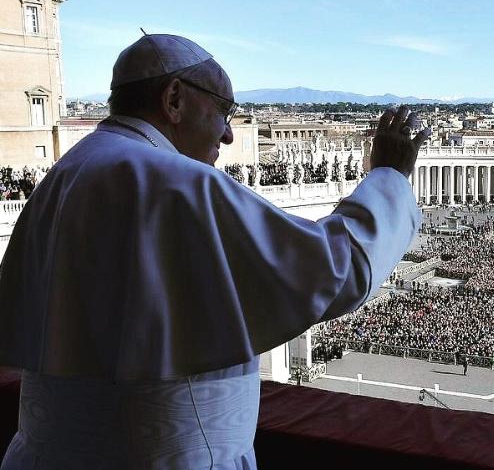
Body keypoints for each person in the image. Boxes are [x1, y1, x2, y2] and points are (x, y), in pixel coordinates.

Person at [0, 34, 427, 469]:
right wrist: (390, 176)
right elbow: (335, 270)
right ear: (174, 99)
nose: (227, 134)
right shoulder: (176, 183)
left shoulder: (65, 174)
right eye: (224, 111)